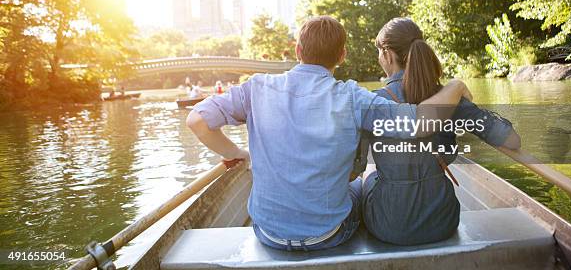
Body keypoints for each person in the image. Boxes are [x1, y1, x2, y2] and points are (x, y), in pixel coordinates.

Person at [186, 16, 471, 252]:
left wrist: (235, 153)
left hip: (268, 233)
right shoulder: (352, 97)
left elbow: (197, 121)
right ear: (342, 56)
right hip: (329, 235)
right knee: (360, 184)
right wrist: (455, 88)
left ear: (297, 51)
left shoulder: (255, 88)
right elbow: (418, 123)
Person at [360, 17, 521, 246]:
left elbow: (354, 161)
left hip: (390, 227)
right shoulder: (450, 98)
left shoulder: (373, 101)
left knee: (368, 176)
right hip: (442, 223)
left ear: (386, 54)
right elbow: (511, 140)